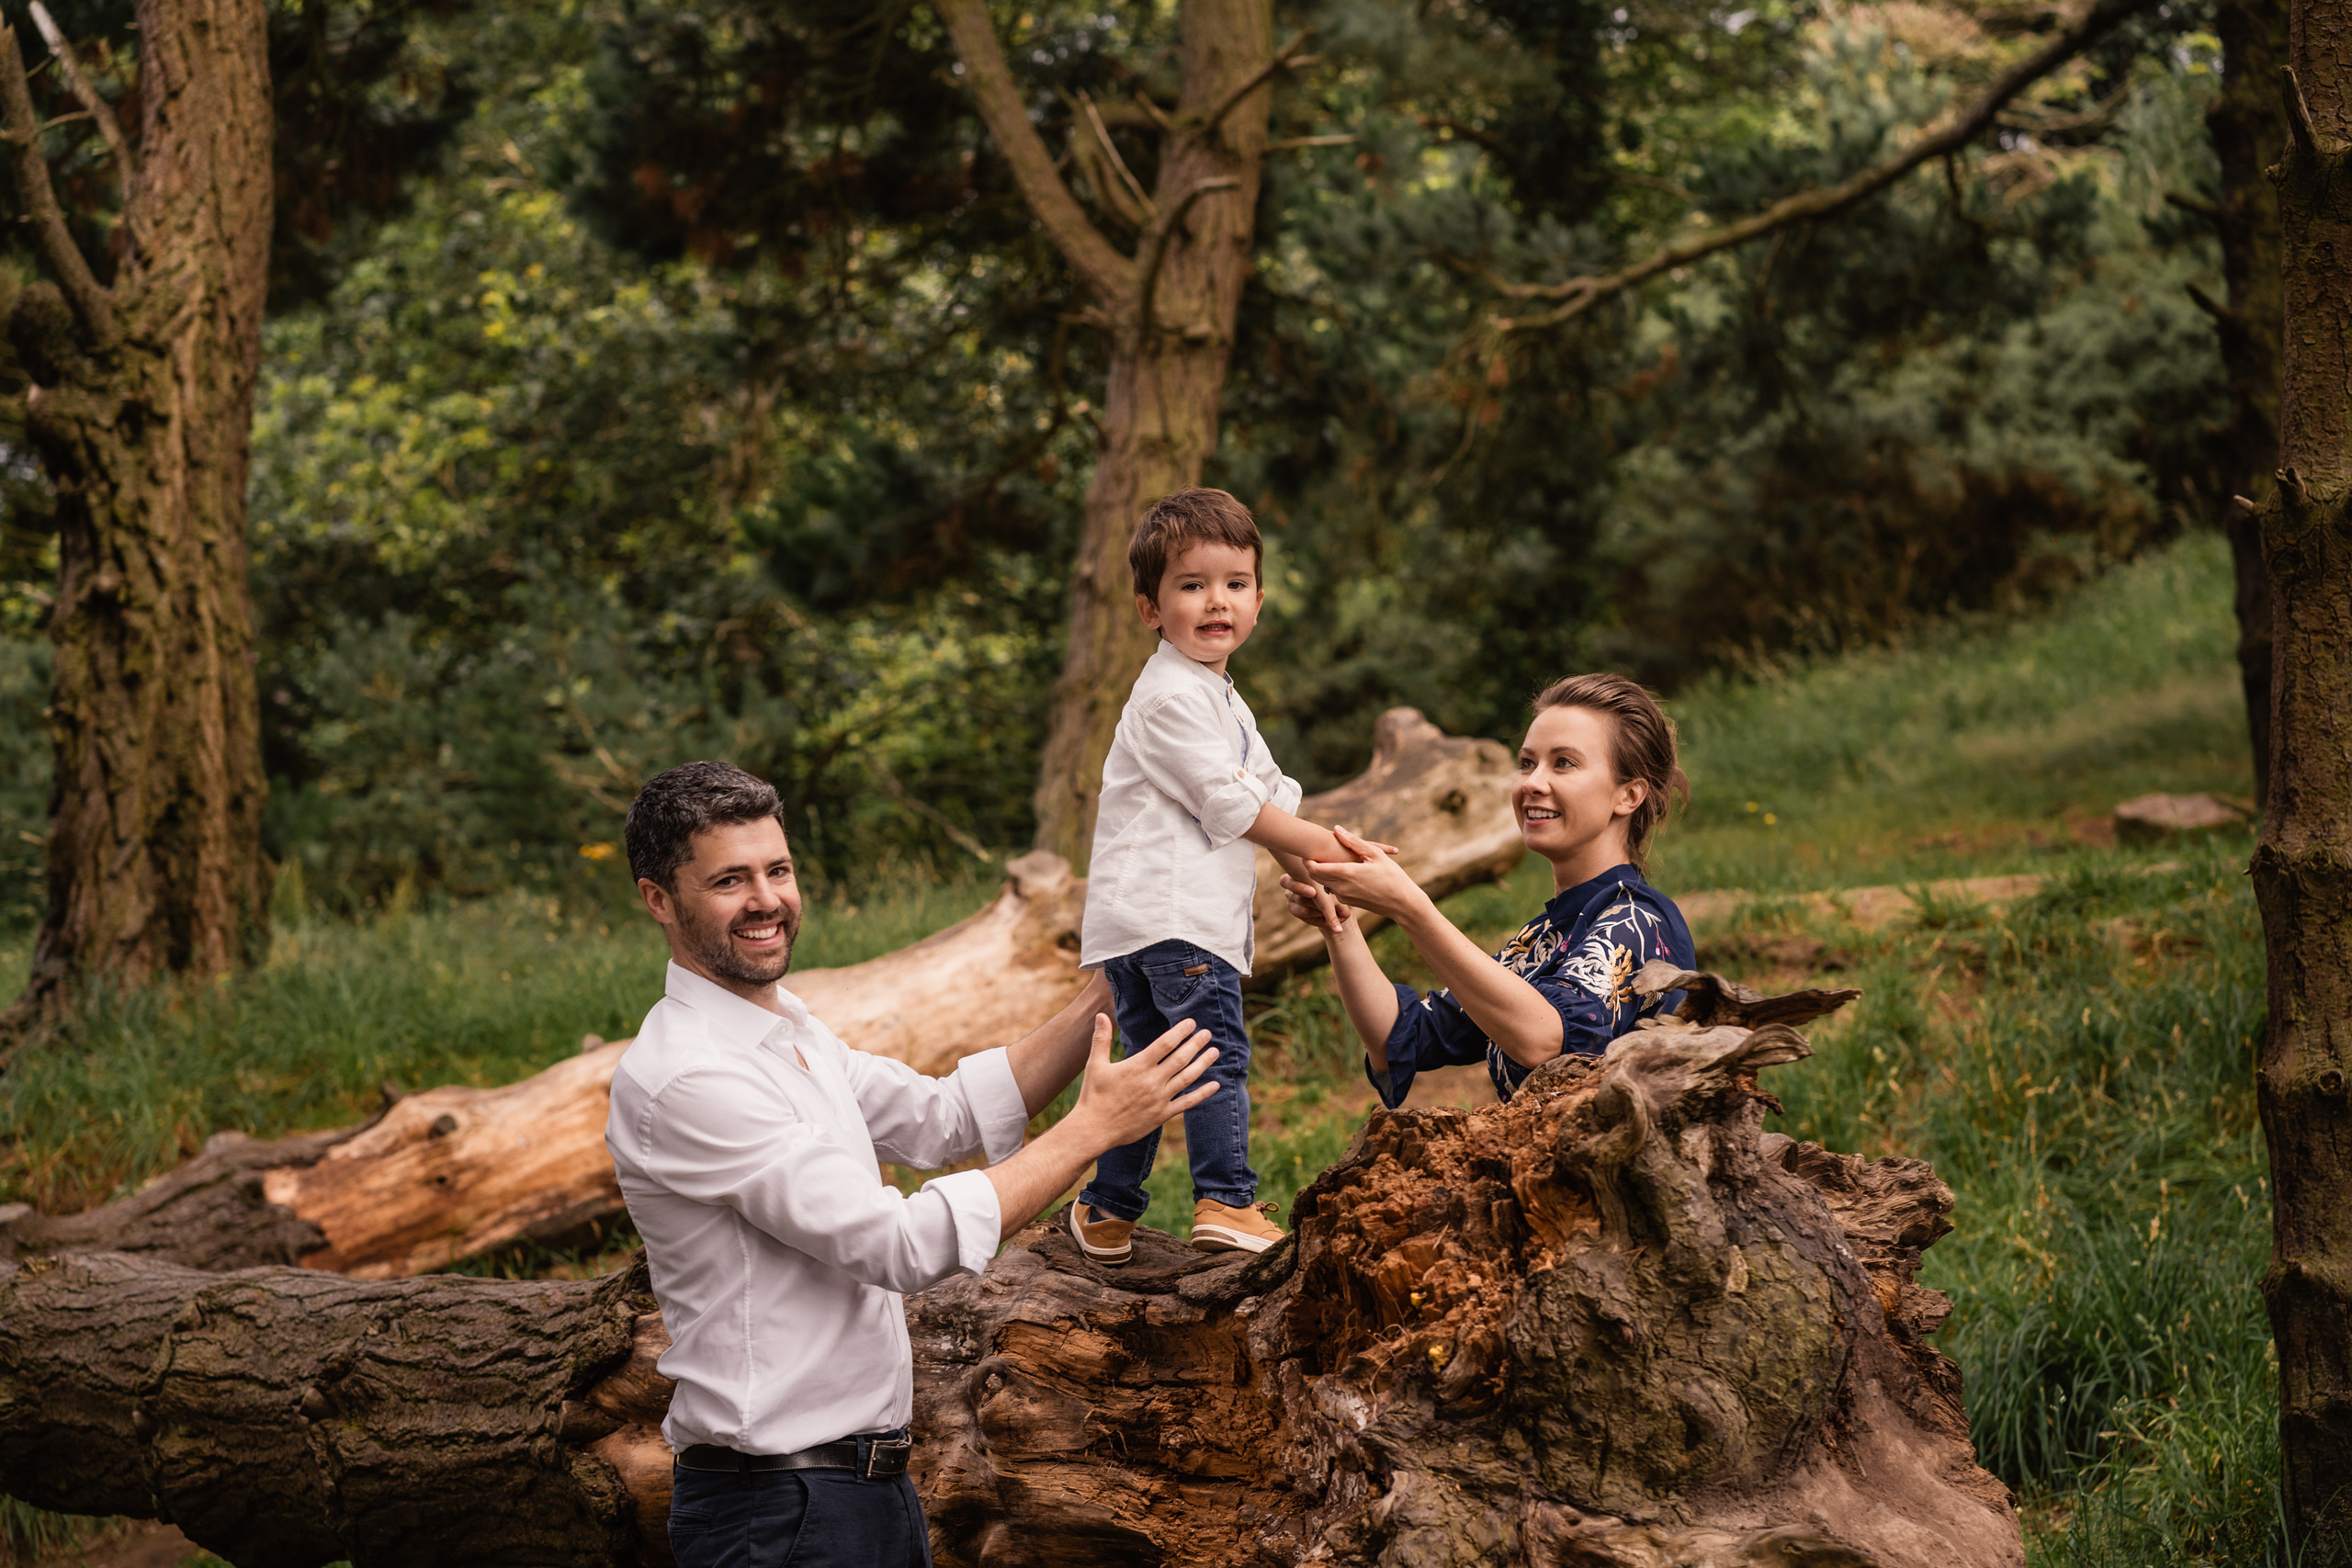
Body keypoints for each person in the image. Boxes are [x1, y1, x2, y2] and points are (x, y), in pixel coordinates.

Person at [605, 761, 1223, 1568]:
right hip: (778, 1512)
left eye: (778, 869)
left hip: (872, 1489)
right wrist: (1090, 1131)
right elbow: (897, 1245)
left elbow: (946, 1116)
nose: (766, 899)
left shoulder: (786, 1028)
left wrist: (1114, 984)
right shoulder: (688, 1075)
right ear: (660, 898)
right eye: (730, 879)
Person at [1068, 487, 1371, 1266]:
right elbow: (1230, 806)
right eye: (1192, 585)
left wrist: (1315, 872)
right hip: (1172, 920)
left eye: (1235, 584)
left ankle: (1107, 1209)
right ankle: (1228, 1199)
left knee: (1152, 1067)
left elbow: (1270, 796)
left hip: (1149, 924)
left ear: (1259, 600)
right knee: (1214, 1055)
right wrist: (1337, 851)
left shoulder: (1218, 696)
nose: (1217, 602)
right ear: (1149, 608)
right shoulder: (1170, 694)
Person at [1281, 673, 1696, 1105]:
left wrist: (1410, 908)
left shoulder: (1641, 921)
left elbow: (1544, 1041)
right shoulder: (1541, 940)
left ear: (1628, 796)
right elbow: (1399, 1036)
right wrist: (1339, 926)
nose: (1533, 782)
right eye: (1527, 762)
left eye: (1564, 763)